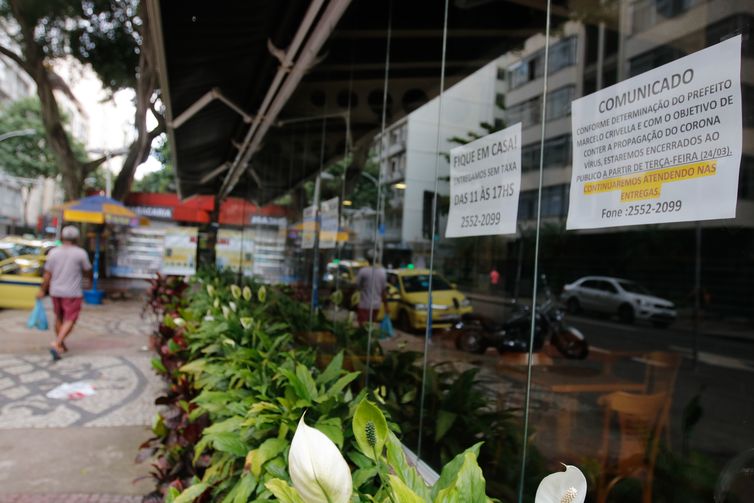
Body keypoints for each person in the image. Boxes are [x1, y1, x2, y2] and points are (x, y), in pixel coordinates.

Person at [37, 225, 92, 360]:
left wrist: (43, 290)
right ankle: (57, 343)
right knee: (70, 319)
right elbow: (88, 270)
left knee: (59, 318)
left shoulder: (53, 253)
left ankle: (61, 344)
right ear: (77, 238)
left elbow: (47, 274)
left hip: (56, 291)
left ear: (62, 237)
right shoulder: (80, 253)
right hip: (72, 292)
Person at [355, 251, 388, 326]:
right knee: (371, 327)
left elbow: (357, 287)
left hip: (364, 305)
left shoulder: (363, 271)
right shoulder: (382, 272)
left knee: (362, 328)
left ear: (367, 259)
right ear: (377, 259)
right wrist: (386, 307)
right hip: (376, 306)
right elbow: (384, 292)